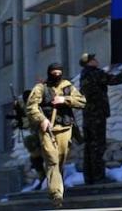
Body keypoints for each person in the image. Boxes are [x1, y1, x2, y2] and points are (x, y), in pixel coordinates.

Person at [26, 63, 86, 207]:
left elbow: (82, 101)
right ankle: (56, 194)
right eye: (54, 73)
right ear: (49, 73)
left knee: (60, 161)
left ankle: (57, 186)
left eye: (59, 73)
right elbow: (31, 106)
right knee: (52, 160)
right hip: (47, 130)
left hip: (65, 128)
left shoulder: (67, 86)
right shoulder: (41, 88)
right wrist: (41, 119)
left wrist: (65, 100)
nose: (57, 75)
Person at [79, 53, 122, 185]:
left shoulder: (85, 75)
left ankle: (89, 178)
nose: (96, 60)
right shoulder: (95, 73)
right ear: (89, 62)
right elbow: (114, 80)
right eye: (93, 59)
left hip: (87, 116)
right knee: (98, 147)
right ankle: (99, 178)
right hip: (97, 115)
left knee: (89, 148)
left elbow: (102, 78)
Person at [6, 90, 46, 187]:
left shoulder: (41, 106)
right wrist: (18, 121)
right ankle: (42, 177)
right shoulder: (25, 109)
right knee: (35, 157)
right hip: (37, 136)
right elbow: (18, 123)